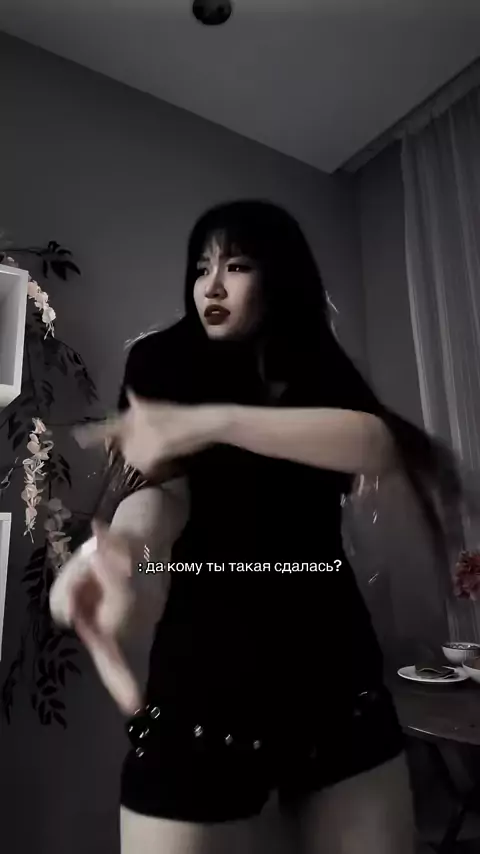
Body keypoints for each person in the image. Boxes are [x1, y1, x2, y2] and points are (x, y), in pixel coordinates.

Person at [52, 200, 464, 854]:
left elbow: (377, 444)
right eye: (201, 268)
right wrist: (124, 549)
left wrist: (212, 421)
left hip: (336, 678)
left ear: (279, 275)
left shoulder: (317, 366)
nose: (211, 286)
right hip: (204, 688)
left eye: (236, 266)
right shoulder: (162, 361)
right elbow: (161, 492)